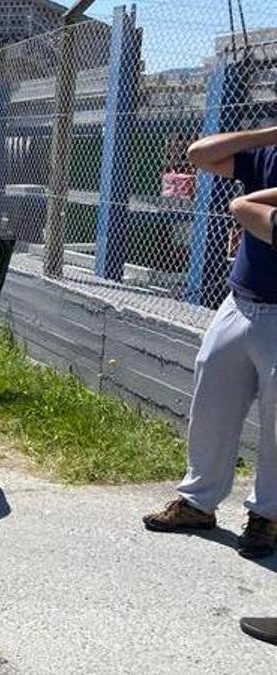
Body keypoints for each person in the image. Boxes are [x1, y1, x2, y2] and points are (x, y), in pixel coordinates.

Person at [142, 126, 277, 559]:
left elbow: (246, 208)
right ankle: (199, 502)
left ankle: (267, 517)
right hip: (240, 302)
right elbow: (200, 155)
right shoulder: (265, 154)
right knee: (212, 404)